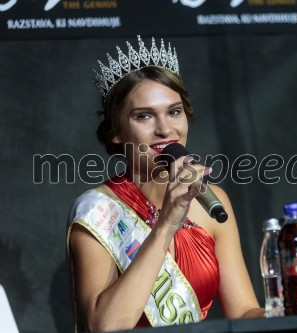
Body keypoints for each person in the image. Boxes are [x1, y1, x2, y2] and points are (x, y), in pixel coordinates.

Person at [66, 35, 263, 332]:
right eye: (144, 116)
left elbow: (245, 311)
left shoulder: (211, 198)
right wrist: (166, 225)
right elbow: (104, 327)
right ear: (116, 131)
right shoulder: (97, 212)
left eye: (174, 111)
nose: (165, 129)